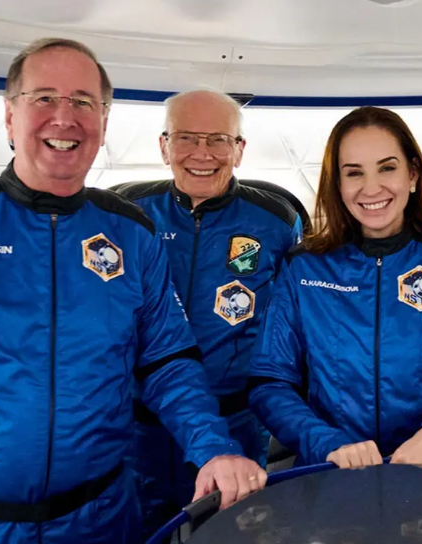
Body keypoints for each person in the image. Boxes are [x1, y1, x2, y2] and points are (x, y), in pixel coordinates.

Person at [0, 38, 264, 544]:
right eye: (45, 97)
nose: (65, 117)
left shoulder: (133, 233)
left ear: (103, 123)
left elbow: (168, 361)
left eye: (84, 102)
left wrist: (213, 447)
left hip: (103, 521)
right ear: (10, 116)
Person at [247, 106, 422, 468]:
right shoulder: (301, 269)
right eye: (354, 173)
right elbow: (269, 385)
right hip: (329, 474)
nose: (371, 188)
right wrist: (327, 443)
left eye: (387, 168)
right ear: (337, 185)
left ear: (413, 174)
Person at [111, 89, 301, 540]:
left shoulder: (276, 220)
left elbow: (293, 323)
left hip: (237, 422)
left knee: (232, 534)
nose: (202, 154)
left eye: (218, 139)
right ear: (164, 147)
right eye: (186, 138)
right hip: (139, 426)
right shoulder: (127, 215)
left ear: (239, 149)